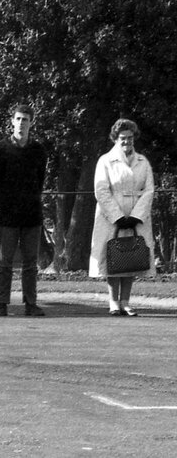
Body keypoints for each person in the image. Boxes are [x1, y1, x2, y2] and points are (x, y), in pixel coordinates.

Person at [0, 104, 48, 317]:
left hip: (31, 215)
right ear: (12, 121)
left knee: (30, 263)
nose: (21, 123)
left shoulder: (38, 151)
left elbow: (39, 180)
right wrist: (2, 205)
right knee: (5, 262)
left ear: (31, 123)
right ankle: (1, 303)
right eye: (18, 119)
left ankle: (30, 303)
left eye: (25, 119)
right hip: (6, 216)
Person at [89, 118, 155, 316]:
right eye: (123, 138)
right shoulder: (105, 161)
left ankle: (125, 302)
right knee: (113, 257)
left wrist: (136, 216)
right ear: (116, 139)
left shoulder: (143, 162)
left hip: (136, 215)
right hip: (110, 216)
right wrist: (117, 216)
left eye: (130, 138)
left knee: (132, 257)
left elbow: (149, 190)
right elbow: (101, 190)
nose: (127, 141)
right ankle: (113, 302)